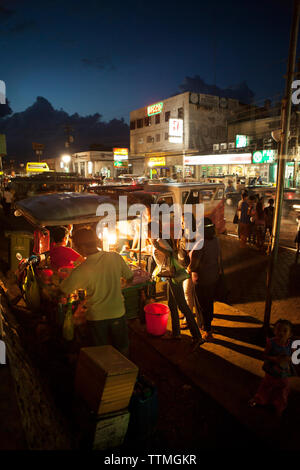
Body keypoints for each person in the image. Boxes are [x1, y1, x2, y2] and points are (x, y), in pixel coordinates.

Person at [60, 227, 133, 356]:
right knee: (122, 348)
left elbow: (64, 289)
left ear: (81, 247)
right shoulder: (115, 257)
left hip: (97, 317)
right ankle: (126, 373)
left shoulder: (82, 269)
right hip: (118, 312)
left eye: (75, 247)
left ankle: (105, 373)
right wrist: (118, 284)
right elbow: (130, 277)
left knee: (101, 353)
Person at [149, 221, 203, 345]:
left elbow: (170, 253)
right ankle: (176, 333)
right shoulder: (158, 240)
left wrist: (157, 246)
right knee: (172, 304)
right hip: (169, 276)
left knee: (182, 305)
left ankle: (197, 336)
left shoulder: (160, 240)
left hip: (173, 276)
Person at [249, 319, 295, 416]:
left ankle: (278, 406)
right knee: (266, 386)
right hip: (271, 372)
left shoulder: (291, 345)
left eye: (285, 330)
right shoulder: (271, 342)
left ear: (290, 334)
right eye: (278, 329)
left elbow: (294, 358)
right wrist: (274, 359)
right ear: (274, 331)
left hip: (284, 374)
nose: (281, 333)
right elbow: (264, 355)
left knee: (282, 390)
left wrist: (288, 359)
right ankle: (260, 400)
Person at [189, 218, 221, 342]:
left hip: (201, 279)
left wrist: (189, 268)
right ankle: (208, 325)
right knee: (209, 302)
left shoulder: (200, 243)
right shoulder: (216, 241)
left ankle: (206, 330)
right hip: (213, 277)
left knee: (202, 305)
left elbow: (194, 264)